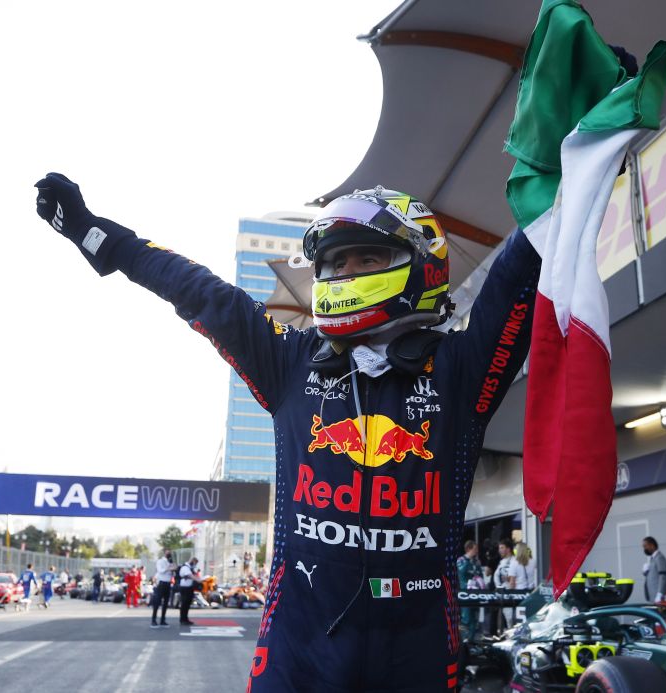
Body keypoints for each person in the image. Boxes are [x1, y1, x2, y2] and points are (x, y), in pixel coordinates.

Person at [33, 175, 539, 691]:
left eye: (367, 258)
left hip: (419, 654)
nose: (346, 274)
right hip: (297, 652)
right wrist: (95, 233)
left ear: (420, 262)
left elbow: (522, 264)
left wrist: (560, 174)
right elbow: (198, 291)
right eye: (336, 263)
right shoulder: (292, 361)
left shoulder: (460, 370)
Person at [456, 540, 483, 642]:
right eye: (475, 549)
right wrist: (468, 559)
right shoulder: (461, 560)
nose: (477, 551)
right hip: (465, 594)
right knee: (466, 618)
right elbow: (461, 572)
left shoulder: (476, 561)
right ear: (468, 549)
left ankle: (471, 642)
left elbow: (480, 575)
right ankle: (463, 642)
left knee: (474, 619)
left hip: (476, 593)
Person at [493, 538, 517, 628]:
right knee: (507, 619)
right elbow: (497, 576)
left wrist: (509, 578)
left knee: (511, 619)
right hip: (502, 594)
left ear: (508, 549)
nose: (500, 550)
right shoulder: (501, 562)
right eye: (499, 548)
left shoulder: (515, 560)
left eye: (502, 548)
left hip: (513, 594)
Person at [641, 536, 666, 603]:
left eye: (645, 546)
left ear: (652, 545)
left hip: (660, 597)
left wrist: (660, 593)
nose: (644, 549)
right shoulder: (653, 559)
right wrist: (645, 572)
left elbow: (663, 576)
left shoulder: (659, 558)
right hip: (653, 596)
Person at [150, 549, 174, 628]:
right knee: (157, 602)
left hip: (168, 583)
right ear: (164, 553)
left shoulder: (170, 562)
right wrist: (169, 568)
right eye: (168, 552)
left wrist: (173, 568)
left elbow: (172, 573)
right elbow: (161, 571)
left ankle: (162, 620)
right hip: (161, 583)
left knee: (166, 603)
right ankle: (153, 620)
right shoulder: (160, 561)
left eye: (170, 552)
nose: (169, 553)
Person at [178, 557, 200, 625]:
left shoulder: (190, 568)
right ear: (192, 561)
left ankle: (185, 619)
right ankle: (183, 619)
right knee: (184, 604)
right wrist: (198, 580)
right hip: (185, 587)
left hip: (189, 587)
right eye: (195, 563)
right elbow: (190, 576)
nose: (195, 565)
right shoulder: (185, 567)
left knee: (187, 604)